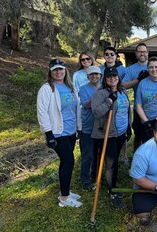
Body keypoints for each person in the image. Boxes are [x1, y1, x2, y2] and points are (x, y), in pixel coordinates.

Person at [37, 59, 82, 207]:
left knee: (66, 162)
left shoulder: (71, 87)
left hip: (70, 131)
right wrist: (48, 133)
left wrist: (78, 129)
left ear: (65, 70)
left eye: (61, 69)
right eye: (55, 69)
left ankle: (65, 191)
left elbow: (77, 109)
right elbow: (42, 112)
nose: (58, 72)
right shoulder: (47, 88)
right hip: (57, 132)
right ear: (50, 72)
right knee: (69, 161)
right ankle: (64, 199)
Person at [91, 66, 131, 208]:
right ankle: (112, 192)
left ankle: (113, 185)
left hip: (120, 133)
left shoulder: (123, 91)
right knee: (111, 163)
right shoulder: (100, 93)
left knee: (115, 162)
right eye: (109, 76)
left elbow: (127, 111)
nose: (112, 78)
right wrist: (108, 101)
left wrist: (128, 127)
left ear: (118, 78)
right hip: (107, 134)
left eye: (115, 76)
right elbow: (96, 112)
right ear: (105, 79)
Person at [122, 43, 157, 151]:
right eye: (140, 51)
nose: (142, 53)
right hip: (140, 107)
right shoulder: (130, 69)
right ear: (136, 53)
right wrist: (137, 80)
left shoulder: (156, 67)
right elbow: (122, 85)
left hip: (156, 107)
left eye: (144, 51)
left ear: (148, 53)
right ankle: (138, 156)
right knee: (138, 134)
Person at [78, 65, 101, 190]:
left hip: (101, 126)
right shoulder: (83, 89)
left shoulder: (104, 87)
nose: (94, 77)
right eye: (91, 74)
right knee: (88, 154)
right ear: (88, 76)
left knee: (99, 152)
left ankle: (95, 175)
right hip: (88, 125)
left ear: (100, 76)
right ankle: (85, 179)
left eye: (96, 74)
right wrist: (98, 94)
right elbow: (87, 105)